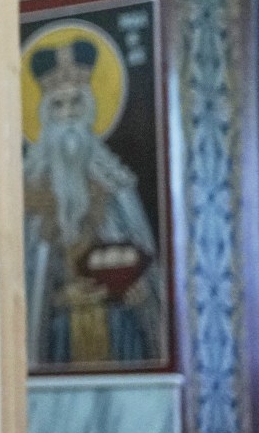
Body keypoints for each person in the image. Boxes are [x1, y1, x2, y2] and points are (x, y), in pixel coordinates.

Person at [20, 39, 163, 367]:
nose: (68, 116)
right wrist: (57, 298)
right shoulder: (27, 193)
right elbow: (20, 288)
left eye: (76, 104)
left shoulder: (116, 187)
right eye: (58, 106)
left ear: (90, 110)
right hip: (56, 341)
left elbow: (147, 273)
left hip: (119, 334)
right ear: (44, 116)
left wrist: (140, 295)